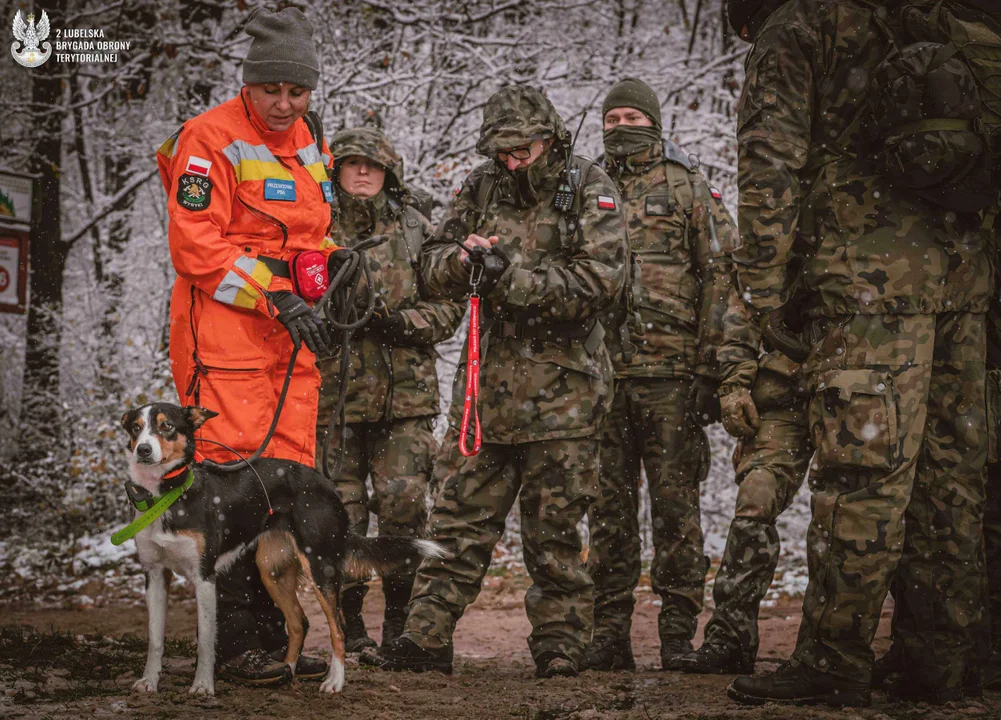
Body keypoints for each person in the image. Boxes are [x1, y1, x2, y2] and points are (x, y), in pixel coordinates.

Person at [724, 0, 992, 707]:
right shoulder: (919, 17)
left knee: (862, 474)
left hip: (866, 279)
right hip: (964, 276)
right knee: (949, 478)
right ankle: (935, 660)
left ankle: (831, 659)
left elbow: (769, 162)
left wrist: (759, 289)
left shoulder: (802, 25)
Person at [362, 84, 629, 678]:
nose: (512, 162)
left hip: (566, 394)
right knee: (456, 517)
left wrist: (513, 277)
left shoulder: (589, 187)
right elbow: (429, 264)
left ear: (550, 140)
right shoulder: (481, 186)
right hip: (486, 392)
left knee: (554, 530)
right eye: (502, 152)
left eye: (522, 151)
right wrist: (462, 262)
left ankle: (559, 645)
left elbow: (600, 282)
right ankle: (425, 640)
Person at [155, 7, 343, 685]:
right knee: (231, 488)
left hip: (290, 348)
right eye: (273, 91)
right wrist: (277, 295)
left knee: (283, 487)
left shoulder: (308, 139)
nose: (284, 104)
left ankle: (276, 641)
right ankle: (233, 644)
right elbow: (196, 246)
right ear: (249, 82)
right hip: (227, 341)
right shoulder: (207, 139)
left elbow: (309, 232)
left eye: (297, 92)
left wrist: (335, 270)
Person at [581, 78, 737, 672]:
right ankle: (608, 634)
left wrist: (710, 368)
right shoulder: (585, 186)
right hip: (602, 378)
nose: (622, 126)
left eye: (633, 116)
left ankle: (677, 634)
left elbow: (723, 276)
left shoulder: (688, 187)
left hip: (672, 377)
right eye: (613, 116)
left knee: (676, 512)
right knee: (608, 511)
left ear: (654, 121)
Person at [315, 127, 462, 653]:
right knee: (341, 515)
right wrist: (330, 316)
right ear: (336, 172)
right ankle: (349, 630)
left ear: (388, 174)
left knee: (403, 506)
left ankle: (398, 623)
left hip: (406, 402)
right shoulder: (316, 228)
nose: (361, 172)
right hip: (334, 401)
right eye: (351, 163)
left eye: (372, 166)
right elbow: (288, 297)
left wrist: (398, 322)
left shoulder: (418, 230)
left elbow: (449, 308)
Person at [677, 286, 810, 675]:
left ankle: (836, 652)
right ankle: (730, 638)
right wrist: (734, 385)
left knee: (855, 512)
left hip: (855, 386)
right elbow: (744, 307)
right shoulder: (780, 237)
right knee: (755, 498)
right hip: (784, 394)